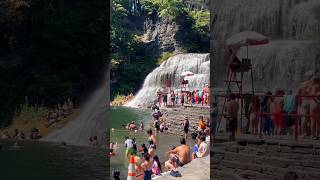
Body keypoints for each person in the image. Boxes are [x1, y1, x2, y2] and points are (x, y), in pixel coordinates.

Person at [297, 71, 314, 137]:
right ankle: (312, 134)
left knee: (304, 118)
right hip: (312, 101)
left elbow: (298, 95)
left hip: (304, 102)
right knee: (312, 119)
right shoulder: (313, 84)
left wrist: (298, 105)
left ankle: (303, 133)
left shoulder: (301, 84)